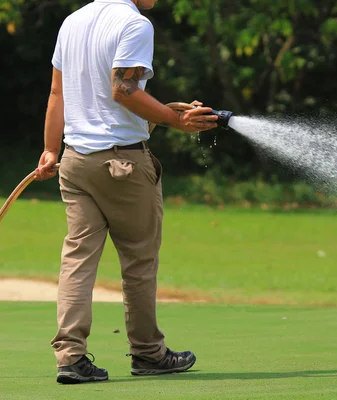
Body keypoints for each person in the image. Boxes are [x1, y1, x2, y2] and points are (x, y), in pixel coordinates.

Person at [35, 0, 218, 384]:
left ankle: (70, 358)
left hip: (75, 162)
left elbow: (56, 93)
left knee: (77, 260)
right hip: (123, 165)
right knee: (138, 262)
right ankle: (148, 353)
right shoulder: (135, 23)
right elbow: (123, 89)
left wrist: (52, 149)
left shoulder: (73, 21)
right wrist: (176, 120)